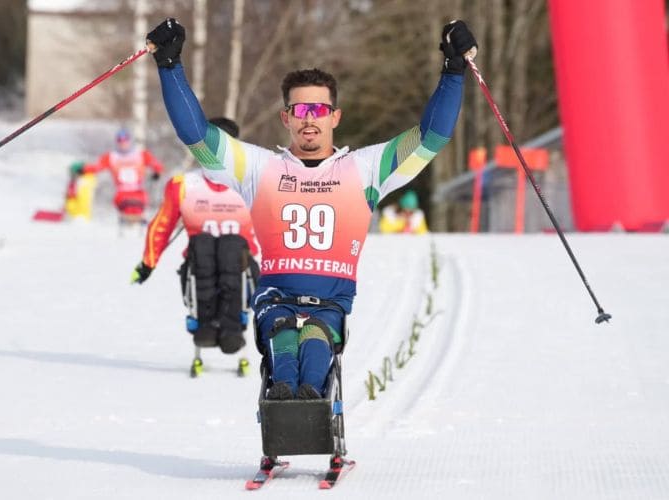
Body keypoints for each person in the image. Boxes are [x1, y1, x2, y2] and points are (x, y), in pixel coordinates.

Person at [146, 18, 475, 400]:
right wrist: (170, 67)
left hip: (331, 302)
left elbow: (430, 138)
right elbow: (198, 135)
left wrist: (453, 73)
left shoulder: (366, 169)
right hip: (275, 300)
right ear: (286, 118)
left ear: (335, 116)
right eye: (299, 110)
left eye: (318, 109)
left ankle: (312, 414)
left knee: (316, 348)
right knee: (284, 350)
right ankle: (284, 409)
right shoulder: (258, 168)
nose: (309, 119)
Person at [130, 117, 261, 357]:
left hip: (241, 264)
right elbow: (162, 225)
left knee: (231, 246)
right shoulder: (184, 185)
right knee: (204, 244)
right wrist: (148, 263)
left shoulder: (253, 182)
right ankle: (206, 324)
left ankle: (232, 326)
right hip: (200, 261)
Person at [74, 127, 165, 225]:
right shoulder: (111, 157)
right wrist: (83, 170)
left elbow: (156, 164)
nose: (123, 144)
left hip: (138, 191)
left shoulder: (140, 154)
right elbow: (97, 167)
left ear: (130, 141)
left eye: (125, 141)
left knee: (137, 208)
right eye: (120, 141)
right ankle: (128, 223)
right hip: (122, 192)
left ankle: (138, 224)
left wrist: (157, 173)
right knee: (128, 210)